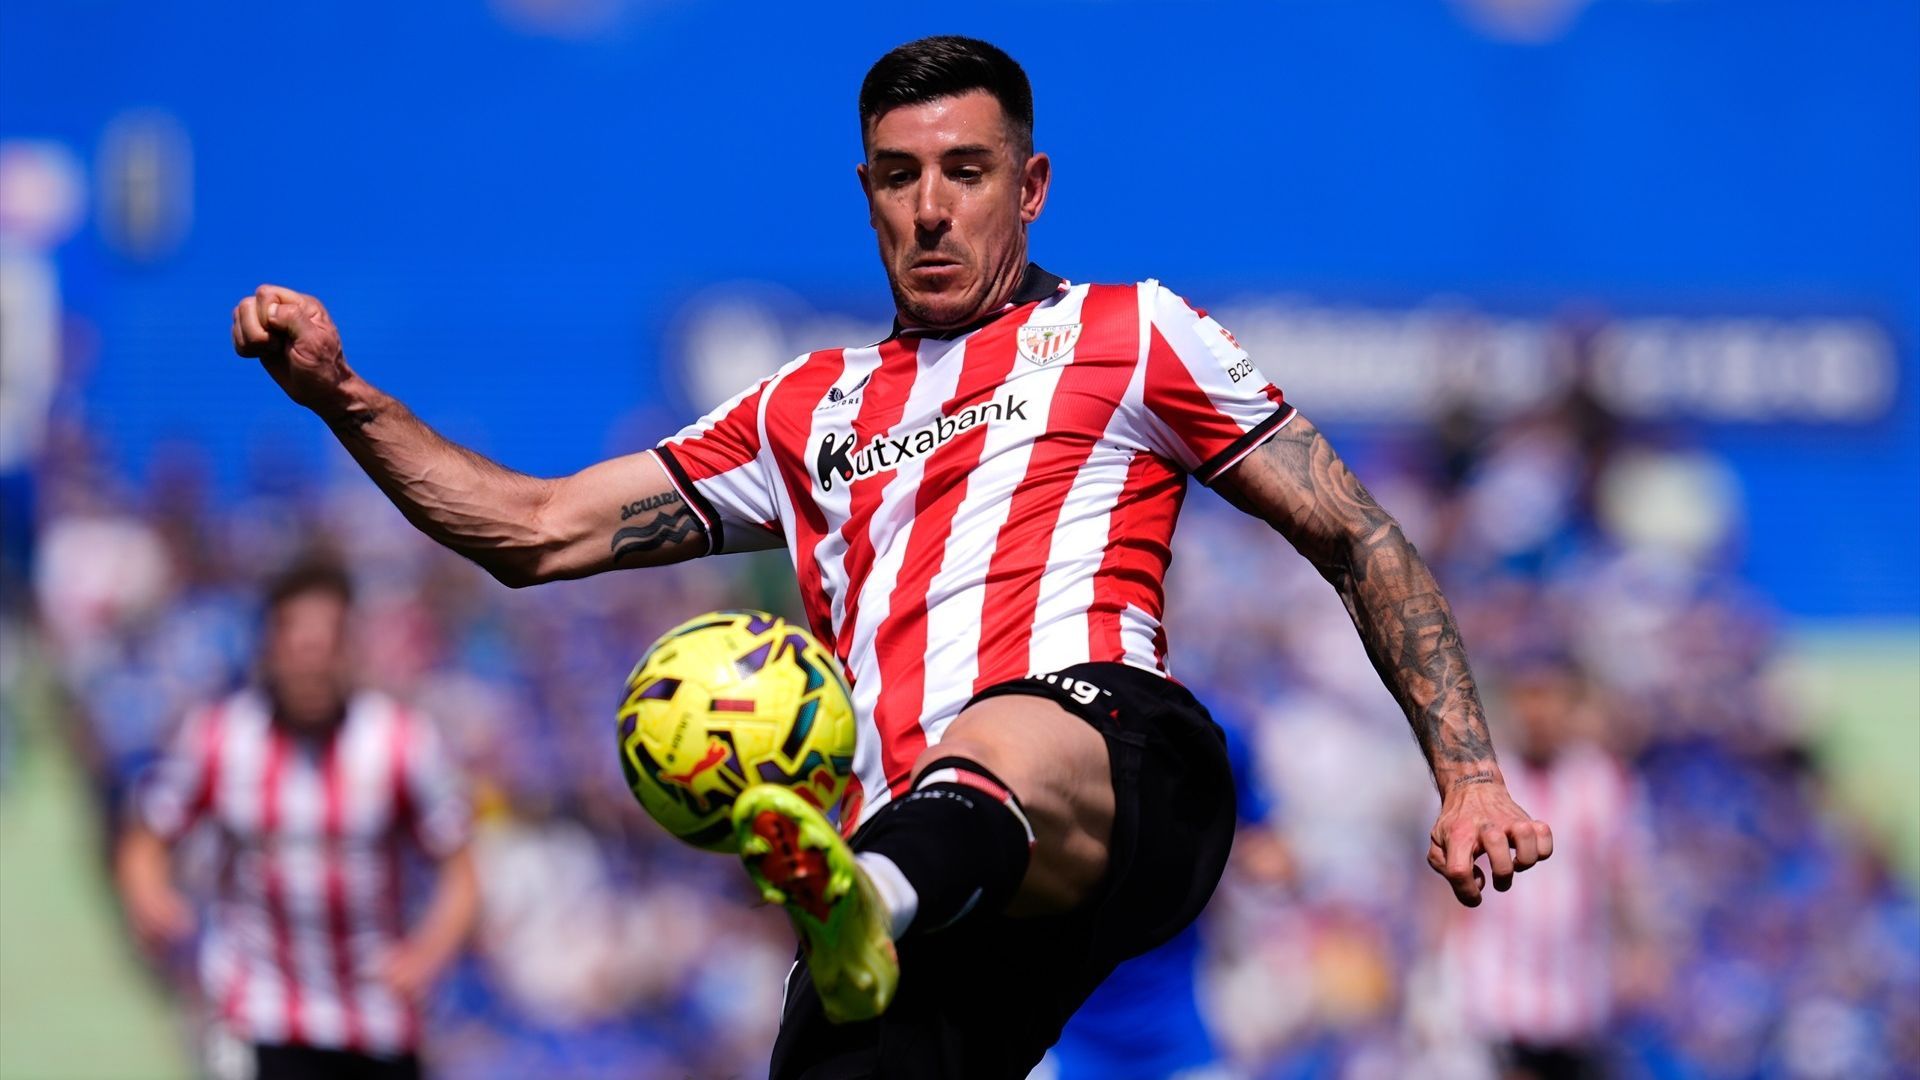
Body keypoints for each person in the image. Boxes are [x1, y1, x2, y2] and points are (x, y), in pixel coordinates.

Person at [229, 36, 1552, 1079]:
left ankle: (868, 885)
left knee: (1004, 736)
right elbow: (532, 529)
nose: (931, 209)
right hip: (925, 899)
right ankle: (875, 893)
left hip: (1118, 768)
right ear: (866, 194)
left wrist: (1471, 775)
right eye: (899, 177)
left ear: (1030, 187)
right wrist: (343, 396)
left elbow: (1353, 530)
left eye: (965, 172)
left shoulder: (1135, 334)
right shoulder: (803, 411)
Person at [116, 560, 479, 1080]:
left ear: (348, 650)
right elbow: (148, 834)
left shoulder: (402, 742)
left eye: (326, 647)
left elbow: (460, 870)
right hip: (258, 1009)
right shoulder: (219, 736)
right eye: (298, 647)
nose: (311, 665)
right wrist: (150, 897)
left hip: (374, 1016)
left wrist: (427, 954)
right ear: (271, 648)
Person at [1441, 652, 1655, 1080]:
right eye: (1527, 698)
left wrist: (1640, 949)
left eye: (1550, 698)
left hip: (1577, 988)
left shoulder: (1603, 781)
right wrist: (1439, 961)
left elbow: (1624, 874)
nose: (1538, 713)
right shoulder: (1480, 782)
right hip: (1495, 986)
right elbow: (1447, 878)